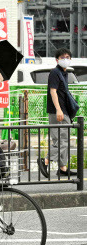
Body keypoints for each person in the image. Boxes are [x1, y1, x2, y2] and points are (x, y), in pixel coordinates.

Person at [38, 48, 77, 178]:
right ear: (57, 60)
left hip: (62, 111)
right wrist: (59, 109)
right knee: (62, 140)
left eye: (67, 57)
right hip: (58, 112)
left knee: (61, 139)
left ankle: (63, 168)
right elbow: (53, 91)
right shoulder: (55, 72)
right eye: (62, 57)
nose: (65, 59)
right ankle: (46, 160)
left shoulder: (63, 73)